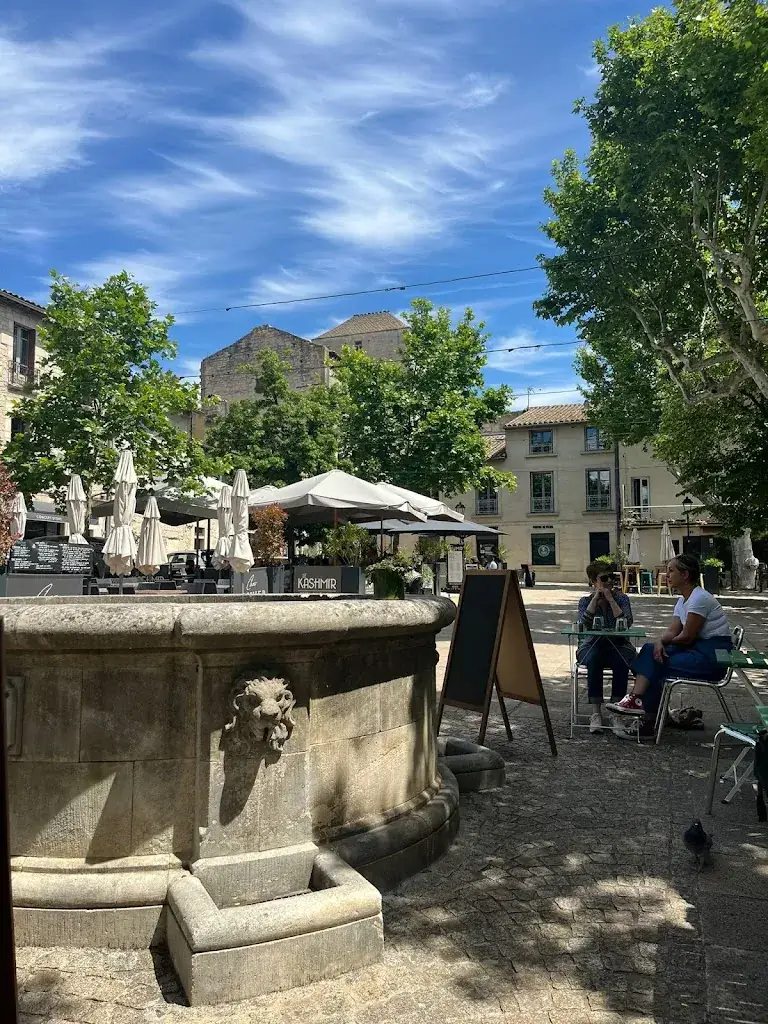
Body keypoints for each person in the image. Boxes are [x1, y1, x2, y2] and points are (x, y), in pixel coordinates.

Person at [607, 553, 733, 721]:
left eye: (671, 571)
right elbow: (673, 631)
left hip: (711, 658)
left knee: (654, 663)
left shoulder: (699, 599)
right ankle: (643, 707)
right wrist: (659, 641)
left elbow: (687, 637)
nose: (667, 575)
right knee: (650, 650)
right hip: (696, 651)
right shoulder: (683, 601)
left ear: (685, 575)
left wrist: (664, 643)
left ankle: (646, 717)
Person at [577, 562, 635, 733]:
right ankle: (596, 713)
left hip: (618, 644)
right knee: (594, 659)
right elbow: (583, 624)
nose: (609, 581)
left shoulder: (622, 599)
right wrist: (596, 599)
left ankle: (616, 712)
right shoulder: (585, 601)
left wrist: (610, 599)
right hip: (591, 644)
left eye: (612, 577)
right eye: (604, 578)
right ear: (594, 581)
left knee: (622, 660)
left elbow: (626, 622)